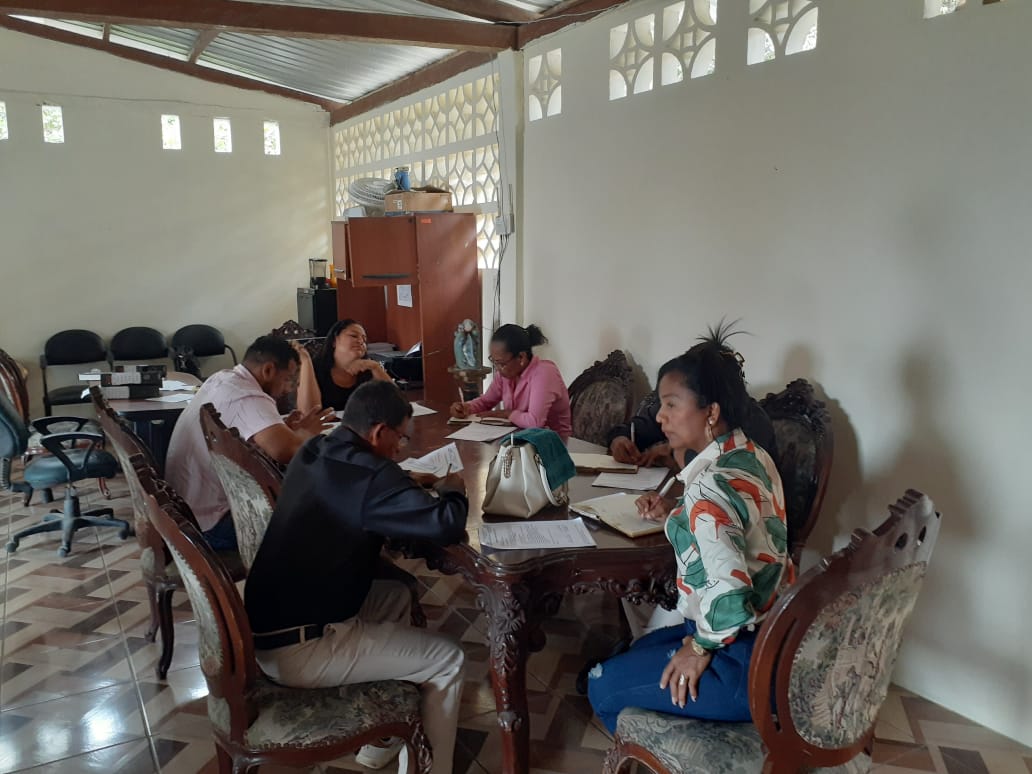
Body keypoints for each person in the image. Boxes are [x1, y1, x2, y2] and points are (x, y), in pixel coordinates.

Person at [244, 380, 468, 774]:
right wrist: (454, 491)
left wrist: (402, 482)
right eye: (400, 438)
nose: (400, 449)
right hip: (302, 648)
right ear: (379, 432)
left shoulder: (315, 448)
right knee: (449, 659)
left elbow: (359, 491)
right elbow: (445, 524)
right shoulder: (372, 477)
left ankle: (380, 741)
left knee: (396, 595)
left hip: (270, 625)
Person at [587, 330, 793, 733]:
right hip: (773, 636)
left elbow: (729, 594)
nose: (659, 417)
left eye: (670, 404)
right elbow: (736, 529)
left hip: (740, 657)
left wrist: (699, 649)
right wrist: (675, 512)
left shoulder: (708, 487)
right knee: (634, 651)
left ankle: (676, 753)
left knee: (601, 686)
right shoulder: (751, 455)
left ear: (710, 411)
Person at [165, 335, 335, 550]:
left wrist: (287, 430)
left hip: (187, 514)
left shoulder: (222, 378)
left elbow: (254, 435)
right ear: (268, 370)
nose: (288, 389)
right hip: (213, 525)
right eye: (288, 379)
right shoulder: (248, 396)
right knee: (324, 519)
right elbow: (286, 452)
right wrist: (306, 434)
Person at [607, 348, 777, 469]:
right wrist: (619, 439)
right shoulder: (678, 404)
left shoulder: (753, 426)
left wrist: (677, 454)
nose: (660, 416)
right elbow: (634, 428)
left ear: (711, 411)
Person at [449, 323, 572, 441]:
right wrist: (467, 408)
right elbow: (486, 401)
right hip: (520, 440)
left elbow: (535, 422)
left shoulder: (544, 373)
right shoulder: (506, 374)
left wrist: (508, 414)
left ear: (521, 357)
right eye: (494, 362)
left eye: (501, 363)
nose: (497, 368)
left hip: (555, 445)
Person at [299, 318, 393, 413]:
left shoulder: (368, 369)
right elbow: (309, 413)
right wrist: (306, 363)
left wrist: (376, 367)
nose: (361, 341)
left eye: (364, 340)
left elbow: (397, 403)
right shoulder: (315, 369)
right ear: (334, 341)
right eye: (354, 336)